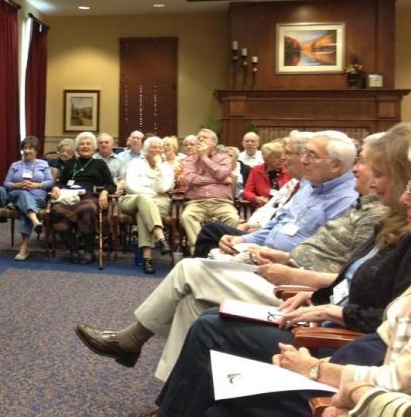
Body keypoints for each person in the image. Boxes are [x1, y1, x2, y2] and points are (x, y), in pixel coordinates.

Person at [147, 123, 411, 417]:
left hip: (337, 339)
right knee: (199, 307)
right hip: (312, 301)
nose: (361, 173)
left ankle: (141, 352)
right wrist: (317, 296)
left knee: (200, 298)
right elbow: (348, 282)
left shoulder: (383, 222)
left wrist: (321, 315)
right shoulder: (385, 222)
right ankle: (167, 405)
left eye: (376, 171)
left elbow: (384, 333)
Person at [74, 130, 359, 382]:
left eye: (311, 155)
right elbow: (273, 226)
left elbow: (321, 258)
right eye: (304, 153)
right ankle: (174, 395)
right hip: (261, 256)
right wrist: (244, 239)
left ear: (335, 165)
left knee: (190, 269)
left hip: (288, 281)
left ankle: (131, 341)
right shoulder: (311, 187)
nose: (303, 159)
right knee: (191, 301)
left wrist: (279, 258)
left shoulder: (345, 200)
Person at [50, 132, 116, 264]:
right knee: (56, 211)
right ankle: (73, 250)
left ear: (94, 147)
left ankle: (89, 252)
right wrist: (56, 187)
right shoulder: (70, 163)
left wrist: (104, 192)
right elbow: (60, 181)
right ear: (77, 147)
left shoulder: (99, 164)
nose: (85, 146)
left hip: (90, 196)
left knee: (87, 209)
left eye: (88, 144)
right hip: (69, 196)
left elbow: (111, 184)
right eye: (82, 144)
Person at [119, 136, 174, 274]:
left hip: (160, 202)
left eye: (159, 148)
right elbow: (131, 186)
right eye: (153, 147)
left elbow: (164, 188)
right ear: (146, 150)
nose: (156, 150)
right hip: (132, 199)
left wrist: (159, 167)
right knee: (144, 200)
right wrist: (150, 194)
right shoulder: (135, 164)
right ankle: (161, 238)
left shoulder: (166, 167)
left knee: (142, 213)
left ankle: (147, 259)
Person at [179, 128, 240, 252]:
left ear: (214, 143)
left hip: (221, 202)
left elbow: (221, 173)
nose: (200, 139)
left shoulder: (225, 158)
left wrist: (204, 157)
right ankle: (200, 251)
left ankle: (220, 250)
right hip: (196, 202)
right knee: (187, 216)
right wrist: (217, 181)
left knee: (233, 218)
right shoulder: (190, 159)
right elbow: (191, 180)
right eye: (199, 137)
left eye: (204, 137)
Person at [2, 136, 54, 261]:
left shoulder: (43, 164)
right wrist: (17, 185)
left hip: (37, 198)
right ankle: (35, 221)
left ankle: (24, 247)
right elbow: (6, 184)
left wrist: (37, 185)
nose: (27, 151)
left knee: (26, 206)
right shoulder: (15, 165)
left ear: (36, 150)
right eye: (24, 148)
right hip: (16, 195)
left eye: (30, 148)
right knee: (23, 194)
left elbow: (50, 182)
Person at [243, 139, 292, 207]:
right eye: (277, 157)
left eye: (282, 156)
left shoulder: (289, 171)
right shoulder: (256, 171)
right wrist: (256, 199)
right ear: (266, 158)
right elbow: (247, 192)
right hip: (264, 208)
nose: (281, 159)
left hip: (285, 207)